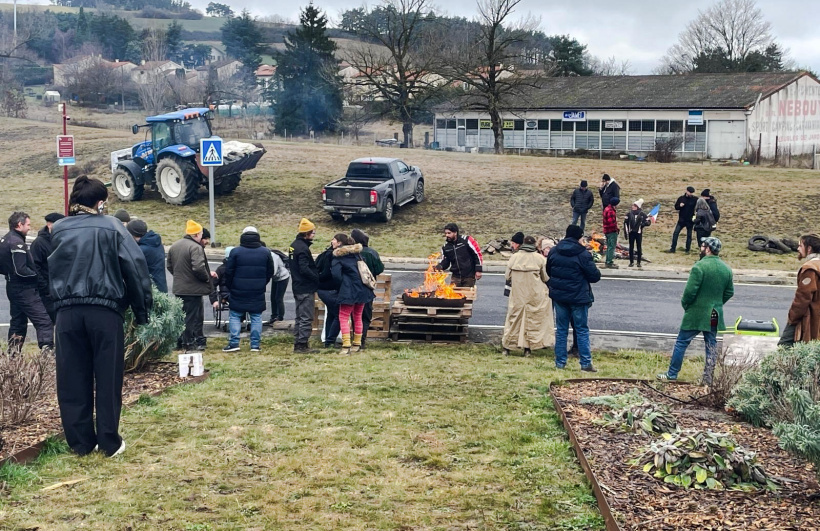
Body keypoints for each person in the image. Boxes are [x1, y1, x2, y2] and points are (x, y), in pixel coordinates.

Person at [49, 176, 153, 457]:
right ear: (100, 202)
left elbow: (46, 271)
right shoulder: (112, 226)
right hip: (104, 311)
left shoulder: (57, 229)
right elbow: (135, 267)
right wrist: (142, 310)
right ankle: (109, 441)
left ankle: (81, 443)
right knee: (107, 377)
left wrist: (54, 310)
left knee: (71, 378)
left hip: (67, 312)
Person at [658, 237, 734, 385]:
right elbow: (729, 292)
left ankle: (672, 374)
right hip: (714, 313)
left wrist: (687, 305)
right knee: (711, 344)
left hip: (696, 313)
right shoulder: (727, 269)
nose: (701, 247)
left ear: (708, 249)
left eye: (703, 245)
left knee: (682, 342)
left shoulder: (699, 267)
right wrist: (718, 303)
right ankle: (708, 378)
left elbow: (689, 293)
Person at [547, 224, 602, 371]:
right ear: (579, 237)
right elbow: (595, 276)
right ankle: (585, 363)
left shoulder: (554, 251)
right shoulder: (583, 254)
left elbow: (549, 270)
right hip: (578, 297)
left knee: (561, 329)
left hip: (559, 296)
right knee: (581, 329)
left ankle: (560, 362)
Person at [0, 211, 55, 355]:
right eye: (28, 225)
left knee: (18, 322)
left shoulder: (6, 239)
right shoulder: (17, 243)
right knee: (44, 320)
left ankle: (13, 355)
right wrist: (35, 276)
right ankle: (47, 350)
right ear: (20, 225)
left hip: (12, 286)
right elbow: (21, 270)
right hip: (24, 289)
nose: (30, 228)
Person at [222, 227, 273, 353]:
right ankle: (255, 345)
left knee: (235, 315)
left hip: (238, 288)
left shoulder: (235, 252)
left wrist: (231, 285)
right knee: (256, 316)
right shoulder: (265, 252)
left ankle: (234, 343)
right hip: (257, 290)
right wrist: (262, 283)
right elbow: (270, 272)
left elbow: (228, 272)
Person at [502, 235, 553, 357]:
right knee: (533, 320)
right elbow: (545, 277)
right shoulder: (539, 259)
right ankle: (528, 348)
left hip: (518, 294)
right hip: (534, 294)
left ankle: (507, 346)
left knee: (514, 319)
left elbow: (507, 276)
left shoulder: (514, 258)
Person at [167, 220, 214, 350]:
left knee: (181, 316)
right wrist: (206, 278)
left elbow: (170, 266)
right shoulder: (195, 247)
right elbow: (199, 267)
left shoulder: (175, 246)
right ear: (198, 234)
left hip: (179, 288)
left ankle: (178, 341)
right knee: (192, 318)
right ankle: (189, 343)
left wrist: (180, 277)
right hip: (193, 290)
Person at [331, 234, 375, 354]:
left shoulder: (338, 257)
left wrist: (340, 287)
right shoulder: (357, 254)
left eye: (334, 240)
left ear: (340, 243)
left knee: (343, 317)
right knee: (357, 316)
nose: (332, 241)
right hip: (362, 290)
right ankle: (357, 343)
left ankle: (346, 346)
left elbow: (336, 275)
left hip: (348, 291)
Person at [779, 234, 820, 347]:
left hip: (810, 319)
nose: (798, 249)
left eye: (800, 246)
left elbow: (803, 298)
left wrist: (792, 318)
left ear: (809, 248)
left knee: (784, 346)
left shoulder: (810, 268)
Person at [289, 218, 320, 353]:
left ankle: (298, 342)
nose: (314, 235)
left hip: (297, 285)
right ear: (306, 233)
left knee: (299, 316)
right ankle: (302, 344)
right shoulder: (302, 248)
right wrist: (316, 278)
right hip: (305, 287)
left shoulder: (294, 245)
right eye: (312, 233)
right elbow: (304, 268)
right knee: (306, 316)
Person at [351, 229, 384, 350]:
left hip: (352, 288)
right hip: (367, 289)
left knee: (353, 315)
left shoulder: (352, 252)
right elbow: (379, 268)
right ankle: (361, 340)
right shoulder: (372, 253)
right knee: (365, 315)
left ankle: (353, 338)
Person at [30, 212, 64, 322]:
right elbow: (35, 267)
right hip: (47, 292)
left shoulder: (61, 240)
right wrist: (46, 288)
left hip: (61, 290)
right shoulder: (39, 243)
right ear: (50, 225)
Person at [436, 223, 483, 287]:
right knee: (452, 296)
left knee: (467, 295)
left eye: (449, 233)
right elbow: (446, 261)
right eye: (446, 233)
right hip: (455, 277)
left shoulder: (467, 240)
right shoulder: (446, 247)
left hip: (469, 276)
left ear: (455, 232)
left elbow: (477, 254)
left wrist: (478, 270)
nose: (447, 235)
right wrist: (439, 267)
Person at [127, 219, 168, 293]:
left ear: (132, 234)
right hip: (160, 285)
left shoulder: (142, 250)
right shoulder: (154, 243)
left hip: (152, 290)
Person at [316, 236, 342, 348]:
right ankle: (330, 341)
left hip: (322, 288)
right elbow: (329, 273)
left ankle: (328, 340)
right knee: (339, 315)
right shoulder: (332, 256)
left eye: (334, 239)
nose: (332, 241)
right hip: (329, 289)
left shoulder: (325, 253)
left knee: (332, 314)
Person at [666, 186, 697, 254]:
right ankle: (673, 248)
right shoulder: (681, 198)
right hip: (681, 220)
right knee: (676, 233)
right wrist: (680, 206)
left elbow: (698, 207)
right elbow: (676, 207)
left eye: (691, 193)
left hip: (690, 221)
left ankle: (687, 249)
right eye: (689, 192)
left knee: (689, 235)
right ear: (686, 191)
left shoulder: (695, 199)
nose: (690, 194)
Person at [266, 247, 291, 326]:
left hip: (283, 277)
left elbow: (273, 271)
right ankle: (273, 317)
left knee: (278, 298)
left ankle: (280, 317)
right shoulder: (267, 254)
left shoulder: (273, 256)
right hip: (276, 278)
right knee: (272, 297)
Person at [623, 198, 652, 268]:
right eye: (633, 205)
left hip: (638, 233)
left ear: (637, 207)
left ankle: (638, 262)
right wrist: (626, 232)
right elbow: (625, 223)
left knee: (639, 247)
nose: (632, 207)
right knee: (631, 247)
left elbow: (648, 222)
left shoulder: (642, 214)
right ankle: (631, 262)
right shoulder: (629, 213)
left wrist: (643, 224)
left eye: (634, 205)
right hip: (631, 232)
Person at [602, 197, 620, 269]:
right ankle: (609, 262)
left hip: (606, 230)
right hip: (611, 231)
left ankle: (608, 261)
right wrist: (616, 229)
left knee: (609, 247)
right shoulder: (611, 211)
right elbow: (612, 223)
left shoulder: (606, 208)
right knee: (611, 247)